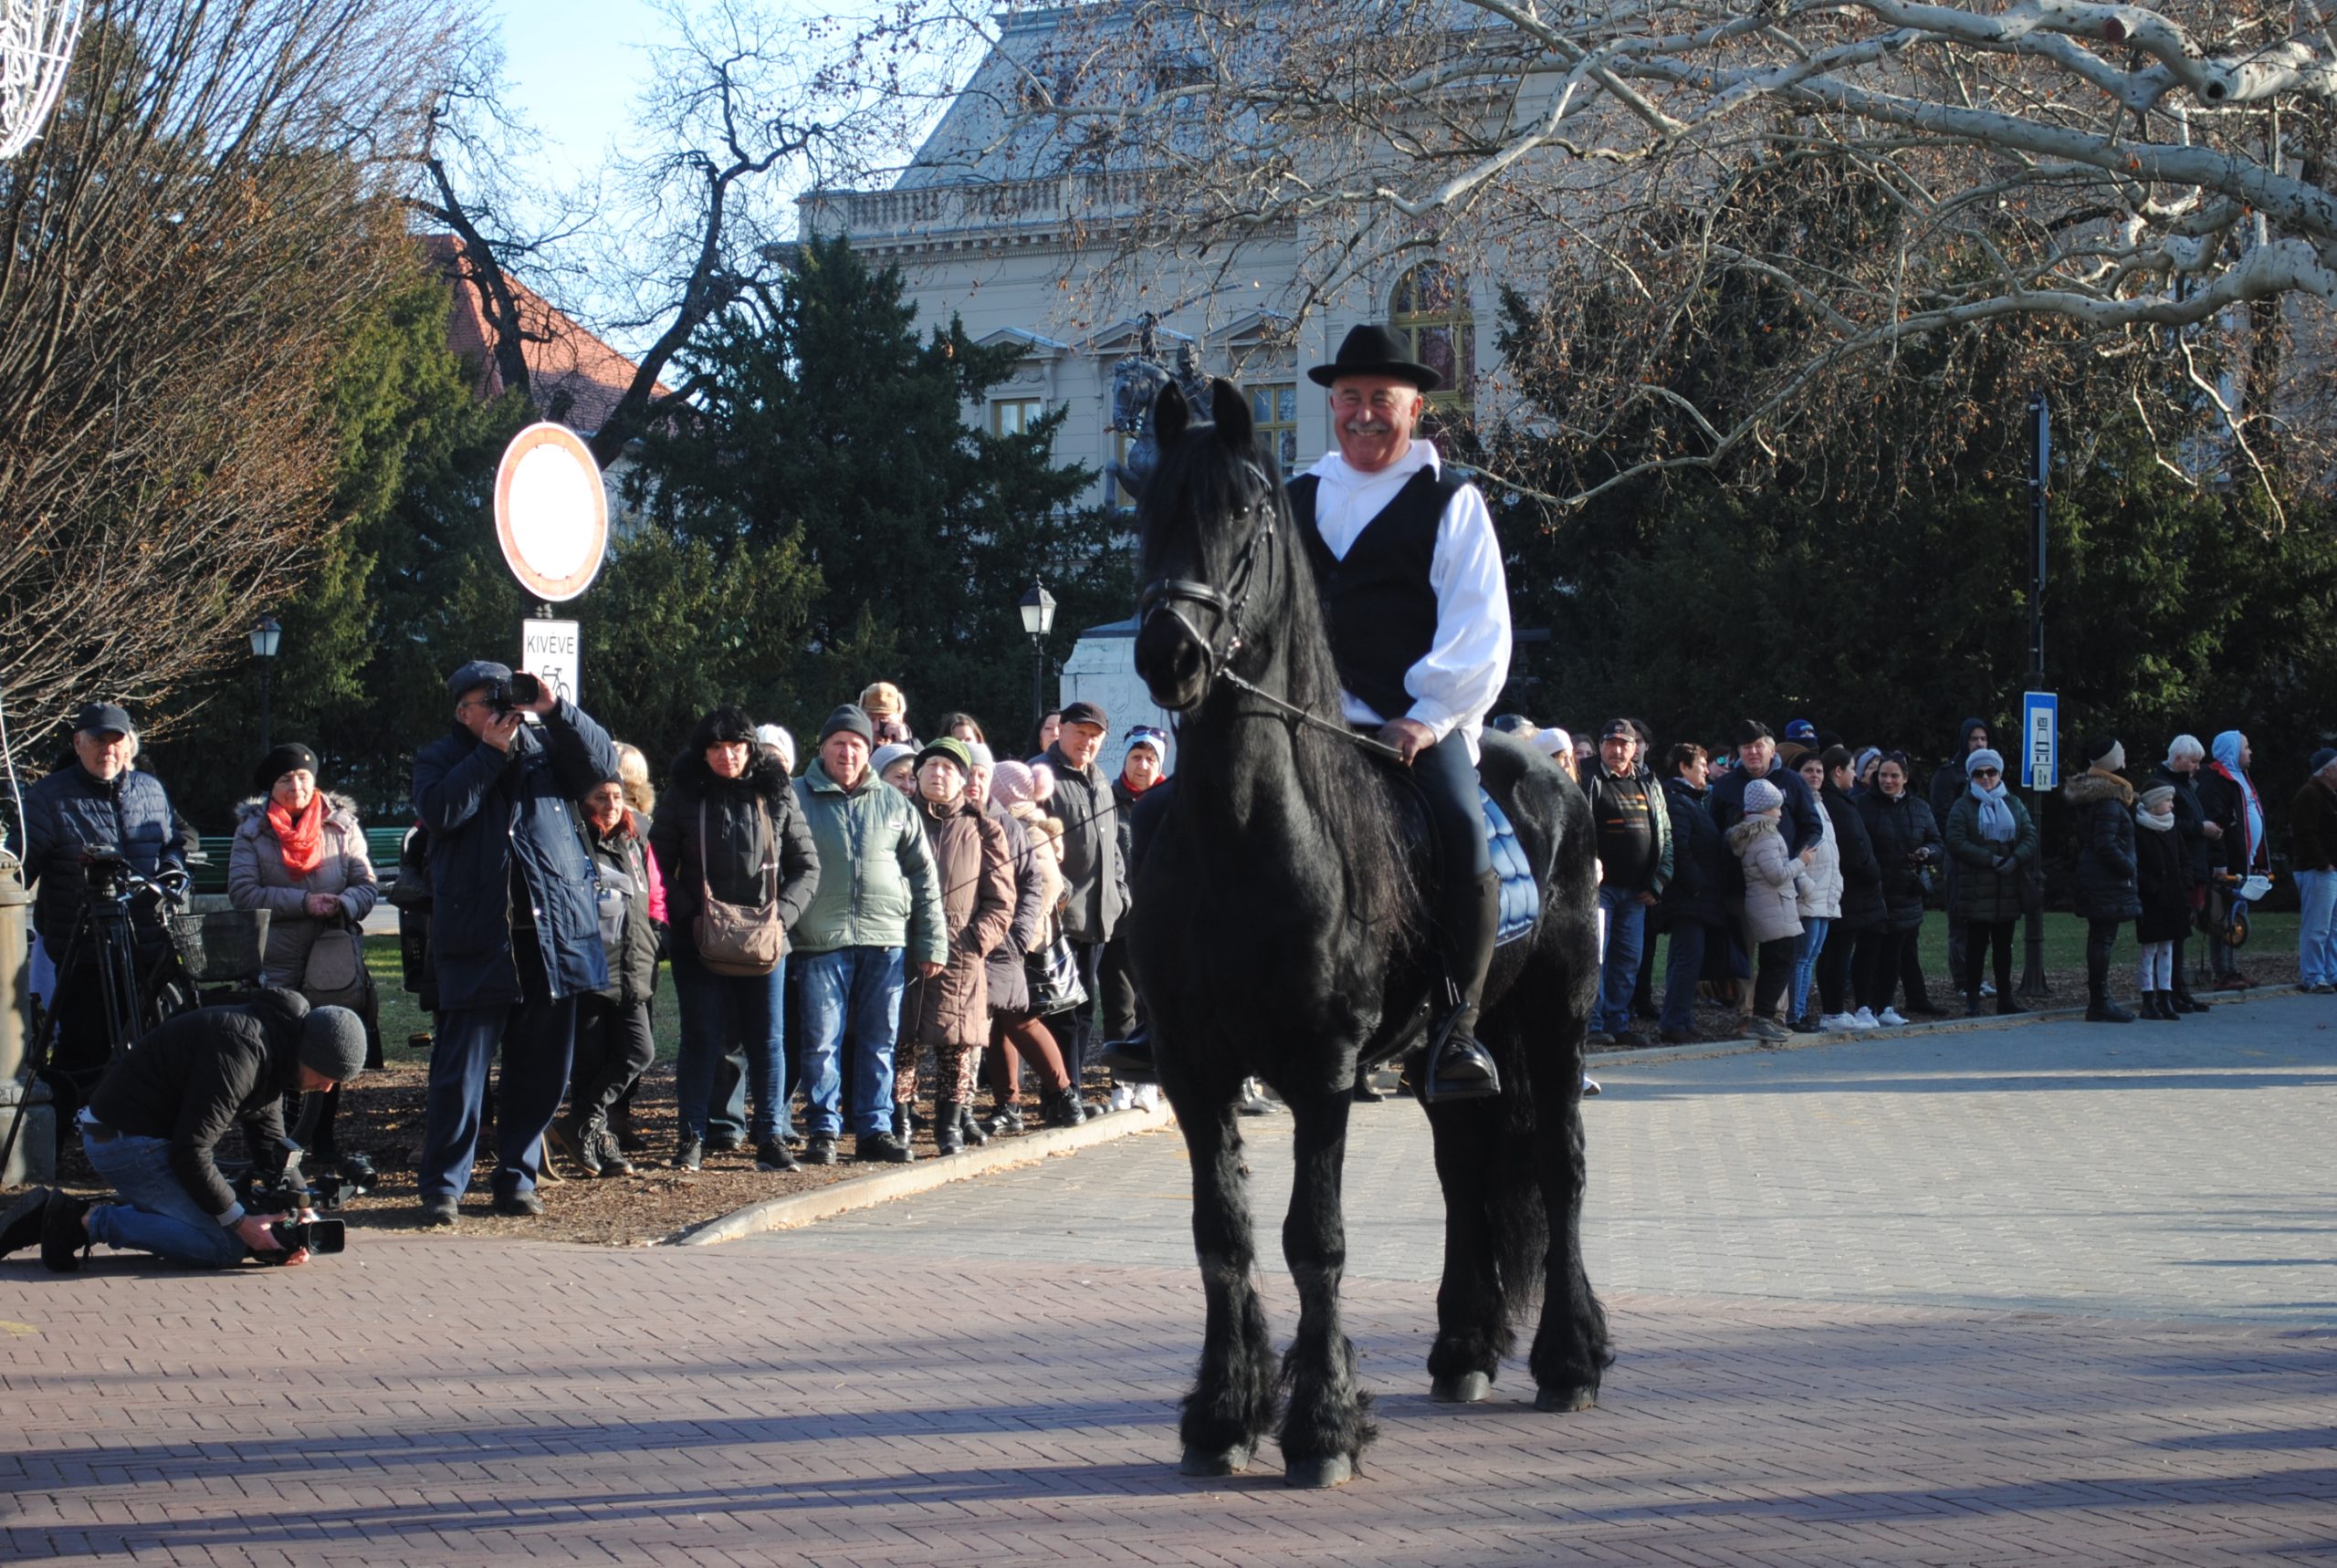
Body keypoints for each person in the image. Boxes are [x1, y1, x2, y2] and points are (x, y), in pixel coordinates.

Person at [1283, 321, 1514, 1098]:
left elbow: (1480, 624)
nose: (1363, 413)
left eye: (1381, 398)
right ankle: (1172, 1004)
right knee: (1182, 812)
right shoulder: (1293, 499)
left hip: (1410, 724)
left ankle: (1456, 1026)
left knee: (1458, 825)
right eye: (1349, 398)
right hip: (1305, 723)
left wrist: (1428, 713)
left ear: (1415, 409)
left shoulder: (1453, 501)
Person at [411, 661, 618, 1225]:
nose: (504, 714)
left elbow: (602, 766)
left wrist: (554, 710)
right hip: (478, 936)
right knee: (461, 1074)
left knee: (542, 1069)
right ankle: (444, 1188)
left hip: (552, 936)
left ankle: (517, 1179)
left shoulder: (547, 749)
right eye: (488, 703)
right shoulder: (441, 758)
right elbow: (440, 811)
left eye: (509, 702)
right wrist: (489, 754)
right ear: (463, 712)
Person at [1, 992, 367, 1271]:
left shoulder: (275, 1046)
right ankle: (78, 1221)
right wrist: (241, 1223)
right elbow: (190, 1152)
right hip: (120, 1139)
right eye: (328, 1077)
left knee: (238, 1221)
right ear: (310, 1055)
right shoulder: (242, 1051)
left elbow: (272, 1144)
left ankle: (109, 1212)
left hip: (138, 1134)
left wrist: (300, 1207)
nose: (327, 1089)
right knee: (224, 1245)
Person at [653, 708, 821, 1174]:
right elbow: (658, 866)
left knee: (768, 1041)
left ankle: (771, 1136)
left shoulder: (777, 790)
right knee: (701, 1039)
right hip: (699, 940)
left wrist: (780, 918)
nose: (726, 756)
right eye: (715, 748)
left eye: (735, 746)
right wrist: (689, 916)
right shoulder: (682, 793)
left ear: (750, 748)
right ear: (702, 751)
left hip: (765, 943)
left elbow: (808, 867)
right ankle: (691, 1136)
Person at [16, 702, 189, 1122]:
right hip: (84, 950)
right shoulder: (47, 798)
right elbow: (20, 869)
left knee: (151, 1048)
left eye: (116, 741)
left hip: (147, 945)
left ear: (130, 745)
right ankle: (58, 1143)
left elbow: (173, 843)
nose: (107, 750)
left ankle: (139, 1135)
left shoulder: (150, 789)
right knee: (83, 1052)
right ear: (78, 743)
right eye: (97, 740)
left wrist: (174, 869)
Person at [791, 705, 948, 1166]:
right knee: (822, 1040)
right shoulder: (796, 796)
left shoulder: (894, 802)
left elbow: (924, 876)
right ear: (822, 749)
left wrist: (931, 942)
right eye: (838, 743)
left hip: (886, 939)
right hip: (819, 938)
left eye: (856, 744)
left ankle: (875, 1128)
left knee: (881, 1040)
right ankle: (822, 1128)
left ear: (868, 750)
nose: (847, 752)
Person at [227, 741, 380, 1168]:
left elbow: (366, 885)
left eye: (303, 777)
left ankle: (323, 1138)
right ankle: (273, 1142)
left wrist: (344, 904)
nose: (296, 785)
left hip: (331, 959)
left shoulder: (341, 825)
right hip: (274, 958)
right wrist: (303, 902)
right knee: (276, 1051)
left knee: (330, 1043)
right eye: (285, 778)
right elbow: (242, 892)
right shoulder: (252, 831)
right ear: (270, 788)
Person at [896, 738, 1017, 1155]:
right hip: (902, 948)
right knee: (901, 1042)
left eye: (949, 768)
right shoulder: (897, 817)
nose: (938, 773)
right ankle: (901, 1122)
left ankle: (949, 1125)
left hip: (961, 952)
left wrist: (973, 943)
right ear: (918, 773)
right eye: (931, 765)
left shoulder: (983, 827)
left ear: (964, 780)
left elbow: (1001, 901)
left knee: (957, 1045)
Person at [979, 760, 1087, 1131]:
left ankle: (1063, 1094)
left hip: (1018, 946)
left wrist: (1017, 932)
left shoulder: (1028, 827)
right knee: (995, 1023)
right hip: (995, 940)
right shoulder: (991, 821)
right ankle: (1009, 1104)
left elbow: (1048, 885)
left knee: (1018, 1018)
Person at [1043, 699, 1130, 1096]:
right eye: (1081, 733)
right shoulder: (1041, 777)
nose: (1087, 742)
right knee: (1059, 1012)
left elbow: (1112, 849)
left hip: (1098, 916)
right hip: (1058, 918)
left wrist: (1120, 895)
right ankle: (1061, 1095)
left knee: (1082, 1012)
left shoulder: (1099, 780)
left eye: (1095, 737)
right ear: (1061, 730)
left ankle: (1071, 1092)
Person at [1581, 719, 1672, 1046]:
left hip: (1637, 892)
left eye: (1624, 743)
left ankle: (1619, 1024)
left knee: (1627, 960)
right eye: (1611, 743)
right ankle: (1592, 1024)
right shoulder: (1587, 777)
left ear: (1636, 748)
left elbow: (1665, 833)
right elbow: (1576, 830)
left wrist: (1659, 880)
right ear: (1601, 745)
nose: (1617, 749)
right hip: (1597, 891)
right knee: (1596, 958)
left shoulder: (1648, 780)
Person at [1940, 747, 2037, 1017]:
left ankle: (2005, 998)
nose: (1986, 777)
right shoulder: (1963, 806)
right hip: (1975, 889)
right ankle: (1972, 999)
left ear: (1999, 773)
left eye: (1991, 772)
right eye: (1979, 773)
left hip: (2007, 889)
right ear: (1971, 776)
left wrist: (2015, 859)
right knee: (1975, 947)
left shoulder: (2014, 803)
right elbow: (1956, 841)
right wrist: (1990, 859)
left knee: (2004, 948)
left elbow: (2030, 835)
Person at [1854, 753, 1942, 1027]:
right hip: (1872, 890)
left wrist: (1928, 852)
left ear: (1905, 778)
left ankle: (1886, 1005)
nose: (1888, 781)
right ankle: (1863, 1006)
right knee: (1868, 951)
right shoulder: (1861, 805)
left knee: (1895, 951)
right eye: (1883, 775)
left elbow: (1938, 841)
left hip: (1905, 891)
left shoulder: (1919, 808)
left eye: (1894, 776)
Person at [1099, 726, 1169, 1067]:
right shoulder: (1107, 799)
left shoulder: (1173, 800)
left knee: (1158, 1000)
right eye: (1136, 757)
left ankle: (1159, 1070)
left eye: (1150, 758)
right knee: (1120, 1000)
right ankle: (1122, 1076)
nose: (1142, 765)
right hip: (1120, 918)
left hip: (1164, 918)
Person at [1726, 779, 1812, 1045]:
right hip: (1773, 905)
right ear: (1766, 809)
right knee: (1780, 962)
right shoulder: (1764, 836)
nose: (1781, 813)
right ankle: (1762, 1017)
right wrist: (1802, 862)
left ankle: (1763, 1016)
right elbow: (1776, 875)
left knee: (1777, 961)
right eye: (1777, 807)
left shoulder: (1756, 833)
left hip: (1772, 906)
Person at [2065, 736, 2143, 1023]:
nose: (2124, 754)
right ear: (2112, 760)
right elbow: (2106, 844)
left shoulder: (2095, 796)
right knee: (2103, 939)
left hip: (2095, 877)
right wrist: (2129, 868)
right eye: (2120, 751)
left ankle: (2100, 999)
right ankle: (2100, 1001)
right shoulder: (2109, 800)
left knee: (2100, 938)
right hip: (2105, 879)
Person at [1653, 743, 1726, 1046]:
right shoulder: (1679, 802)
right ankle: (1673, 1021)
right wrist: (1698, 884)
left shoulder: (1692, 801)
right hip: (1689, 899)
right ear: (1683, 767)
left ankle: (1682, 1019)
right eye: (1701, 764)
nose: (1707, 770)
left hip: (1695, 898)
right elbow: (1680, 848)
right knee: (1686, 959)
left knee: (1687, 960)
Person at [1815, 747, 1886, 1030]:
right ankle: (1833, 1010)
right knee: (1838, 952)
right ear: (1839, 771)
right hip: (1851, 891)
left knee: (1850, 949)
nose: (1856, 774)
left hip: (1856, 892)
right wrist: (1872, 871)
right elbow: (1852, 848)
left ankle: (1855, 1007)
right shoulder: (1837, 805)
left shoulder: (1841, 802)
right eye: (1852, 768)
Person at [2196, 730, 2269, 989]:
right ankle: (2223, 972)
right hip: (2226, 864)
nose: (2250, 752)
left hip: (2243, 862)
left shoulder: (2241, 779)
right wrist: (2219, 861)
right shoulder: (2217, 782)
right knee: (2222, 916)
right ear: (2232, 751)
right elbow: (2215, 826)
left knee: (2234, 914)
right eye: (2246, 747)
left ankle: (2230, 969)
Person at [2149, 735, 2215, 1012]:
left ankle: (2178, 988)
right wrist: (2200, 828)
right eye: (2193, 761)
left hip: (2191, 867)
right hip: (2175, 870)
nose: (2197, 767)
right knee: (2172, 933)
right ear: (2177, 759)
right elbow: (2169, 823)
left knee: (2181, 931)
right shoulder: (2163, 785)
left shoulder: (2185, 784)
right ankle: (2169, 989)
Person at [1930, 717, 1994, 996]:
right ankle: (1963, 980)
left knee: (1984, 921)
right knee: (1961, 921)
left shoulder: (1991, 772)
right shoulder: (1949, 775)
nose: (1979, 743)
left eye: (1983, 739)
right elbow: (1942, 817)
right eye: (1974, 739)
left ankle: (1977, 976)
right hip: (1959, 858)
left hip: (1986, 858)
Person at [1789, 751, 1841, 1030]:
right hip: (1808, 892)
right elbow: (1795, 849)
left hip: (1825, 893)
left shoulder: (1821, 804)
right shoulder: (1797, 805)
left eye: (1819, 771)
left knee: (1811, 957)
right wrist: (1804, 886)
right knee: (1801, 957)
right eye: (1809, 770)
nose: (1815, 775)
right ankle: (1794, 1015)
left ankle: (1801, 1011)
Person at [2133, 782, 2195, 1019]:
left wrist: (2185, 880)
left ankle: (2165, 995)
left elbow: (2184, 857)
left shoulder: (2172, 828)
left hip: (2174, 896)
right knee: (2150, 949)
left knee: (2168, 947)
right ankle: (2148, 997)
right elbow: (2136, 864)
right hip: (2153, 899)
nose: (2171, 805)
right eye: (2167, 800)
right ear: (2153, 803)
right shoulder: (2139, 830)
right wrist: (2151, 886)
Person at [2290, 748, 2337, 994]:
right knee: (2317, 926)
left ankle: (2332, 972)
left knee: (2333, 926)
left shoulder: (2329, 795)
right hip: (2317, 870)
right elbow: (2305, 833)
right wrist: (2322, 862)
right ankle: (2313, 976)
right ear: (2327, 770)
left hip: (2329, 870)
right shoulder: (2310, 795)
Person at [861, 682, 914, 747]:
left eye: (884, 720)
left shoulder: (920, 754)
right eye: (871, 720)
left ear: (900, 718)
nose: (876, 728)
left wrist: (905, 745)